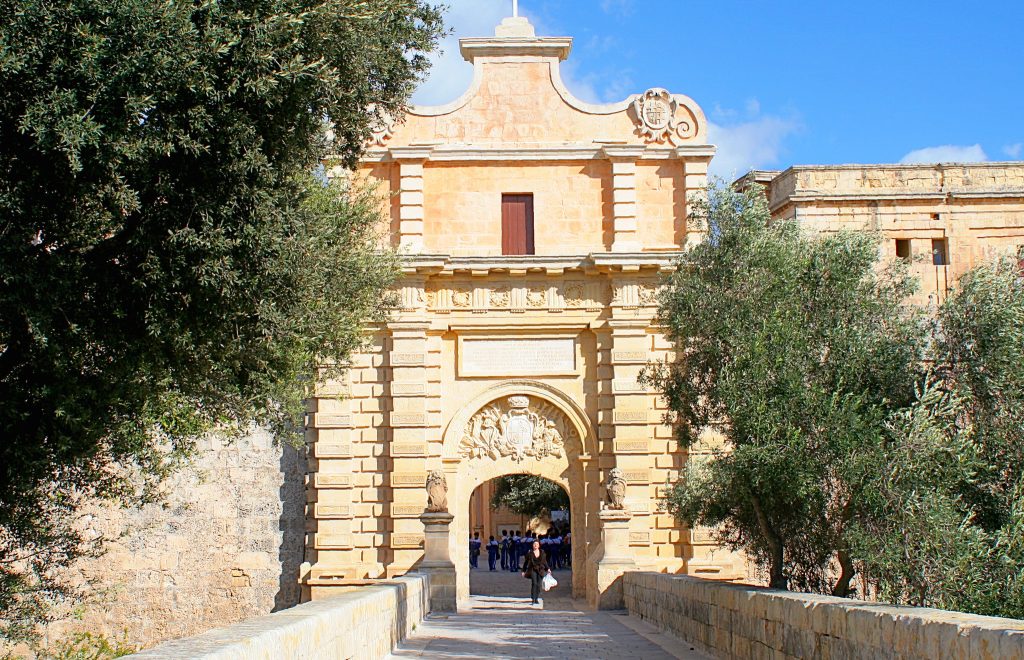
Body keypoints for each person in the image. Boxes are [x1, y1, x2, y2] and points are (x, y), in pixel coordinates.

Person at [521, 539, 551, 605]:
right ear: (532, 545)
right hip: (532, 569)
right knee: (534, 583)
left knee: (538, 584)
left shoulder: (542, 553)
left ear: (539, 545)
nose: (535, 545)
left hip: (540, 570)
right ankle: (533, 598)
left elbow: (544, 561)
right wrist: (523, 571)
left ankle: (537, 598)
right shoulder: (530, 553)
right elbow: (526, 562)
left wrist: (548, 568)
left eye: (537, 544)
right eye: (534, 544)